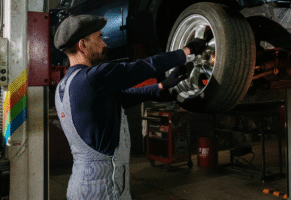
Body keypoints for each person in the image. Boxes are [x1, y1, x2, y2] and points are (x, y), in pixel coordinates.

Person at [53, 14, 206, 200]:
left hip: (82, 184)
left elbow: (120, 99)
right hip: (103, 189)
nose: (105, 44)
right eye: (100, 37)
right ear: (82, 45)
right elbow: (142, 67)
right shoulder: (93, 77)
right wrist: (186, 52)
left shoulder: (66, 85)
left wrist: (161, 86)